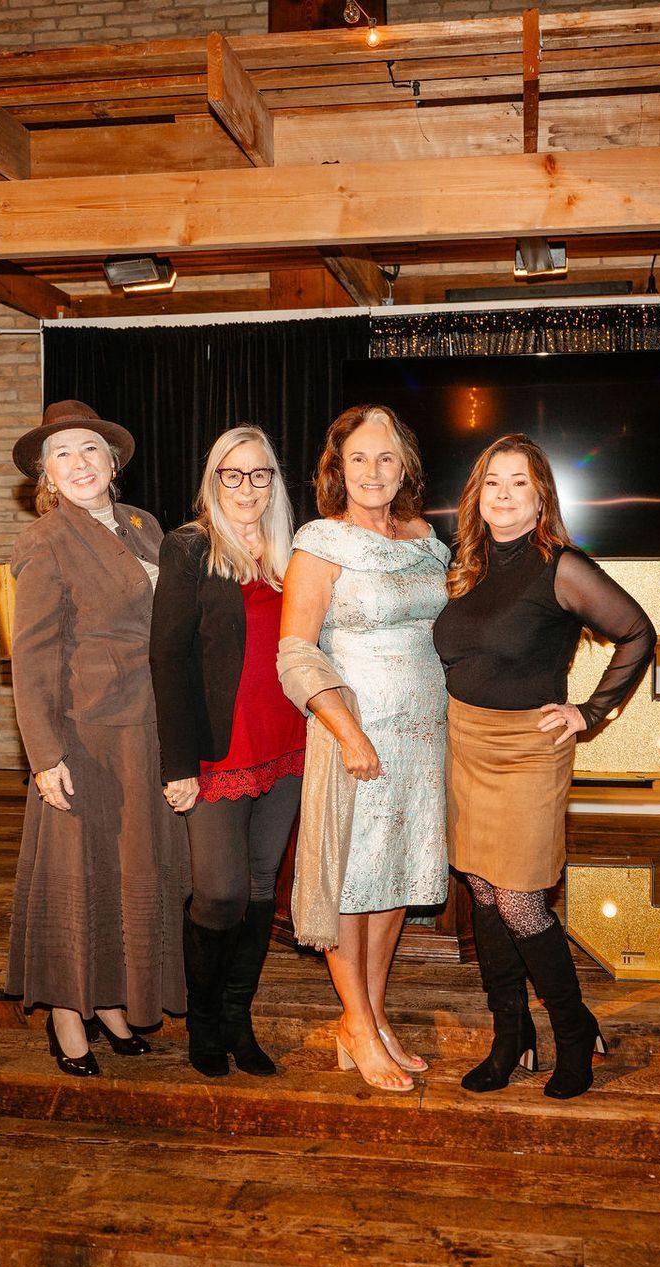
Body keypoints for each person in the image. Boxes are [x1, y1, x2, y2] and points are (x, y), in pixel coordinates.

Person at [432, 433, 656, 1099]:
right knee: (482, 892)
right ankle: (510, 1034)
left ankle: (572, 1030)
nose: (503, 494)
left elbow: (637, 631)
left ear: (540, 500)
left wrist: (591, 711)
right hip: (464, 742)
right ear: (478, 494)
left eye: (518, 483)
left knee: (523, 899)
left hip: (527, 750)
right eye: (492, 482)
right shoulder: (465, 565)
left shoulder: (560, 565)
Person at [6, 399, 189, 1078]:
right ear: (47, 477)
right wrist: (44, 755)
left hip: (146, 731)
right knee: (76, 877)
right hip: (82, 735)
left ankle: (111, 1000)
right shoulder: (46, 541)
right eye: (63, 454)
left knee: (128, 872)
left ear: (112, 464)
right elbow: (31, 658)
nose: (79, 463)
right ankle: (64, 1011)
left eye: (90, 450)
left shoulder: (144, 527)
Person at [278, 404, 449, 1094]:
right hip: (359, 735)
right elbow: (294, 651)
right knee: (353, 882)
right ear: (337, 468)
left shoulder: (427, 540)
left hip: (424, 738)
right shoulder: (321, 541)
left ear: (404, 463)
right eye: (358, 458)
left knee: (396, 882)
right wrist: (348, 731)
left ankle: (371, 1016)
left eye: (385, 457)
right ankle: (354, 1018)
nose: (373, 471)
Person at [150, 425, 306, 1078]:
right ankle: (204, 1019)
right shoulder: (188, 548)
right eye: (232, 474)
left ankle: (239, 1017)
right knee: (219, 892)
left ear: (275, 480)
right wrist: (178, 765)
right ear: (213, 481)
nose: (247, 487)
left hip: (290, 745)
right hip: (219, 750)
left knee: (262, 887)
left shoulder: (296, 553)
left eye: (259, 473)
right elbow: (167, 658)